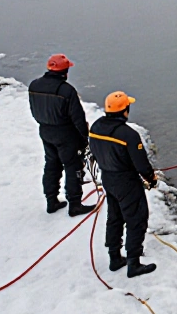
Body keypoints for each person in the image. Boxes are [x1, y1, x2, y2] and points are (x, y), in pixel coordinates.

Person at [89, 91, 158, 278]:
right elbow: (141, 165)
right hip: (127, 183)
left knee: (115, 217)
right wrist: (151, 179)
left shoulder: (96, 127)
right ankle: (133, 263)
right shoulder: (128, 134)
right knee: (136, 219)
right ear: (124, 110)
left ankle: (114, 258)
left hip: (108, 180)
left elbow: (95, 152)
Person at [28, 54, 93, 216]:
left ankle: (51, 201)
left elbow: (34, 110)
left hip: (45, 131)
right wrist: (84, 138)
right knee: (73, 167)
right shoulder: (66, 91)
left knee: (51, 165)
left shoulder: (34, 85)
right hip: (65, 135)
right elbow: (78, 118)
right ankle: (75, 205)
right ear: (65, 71)